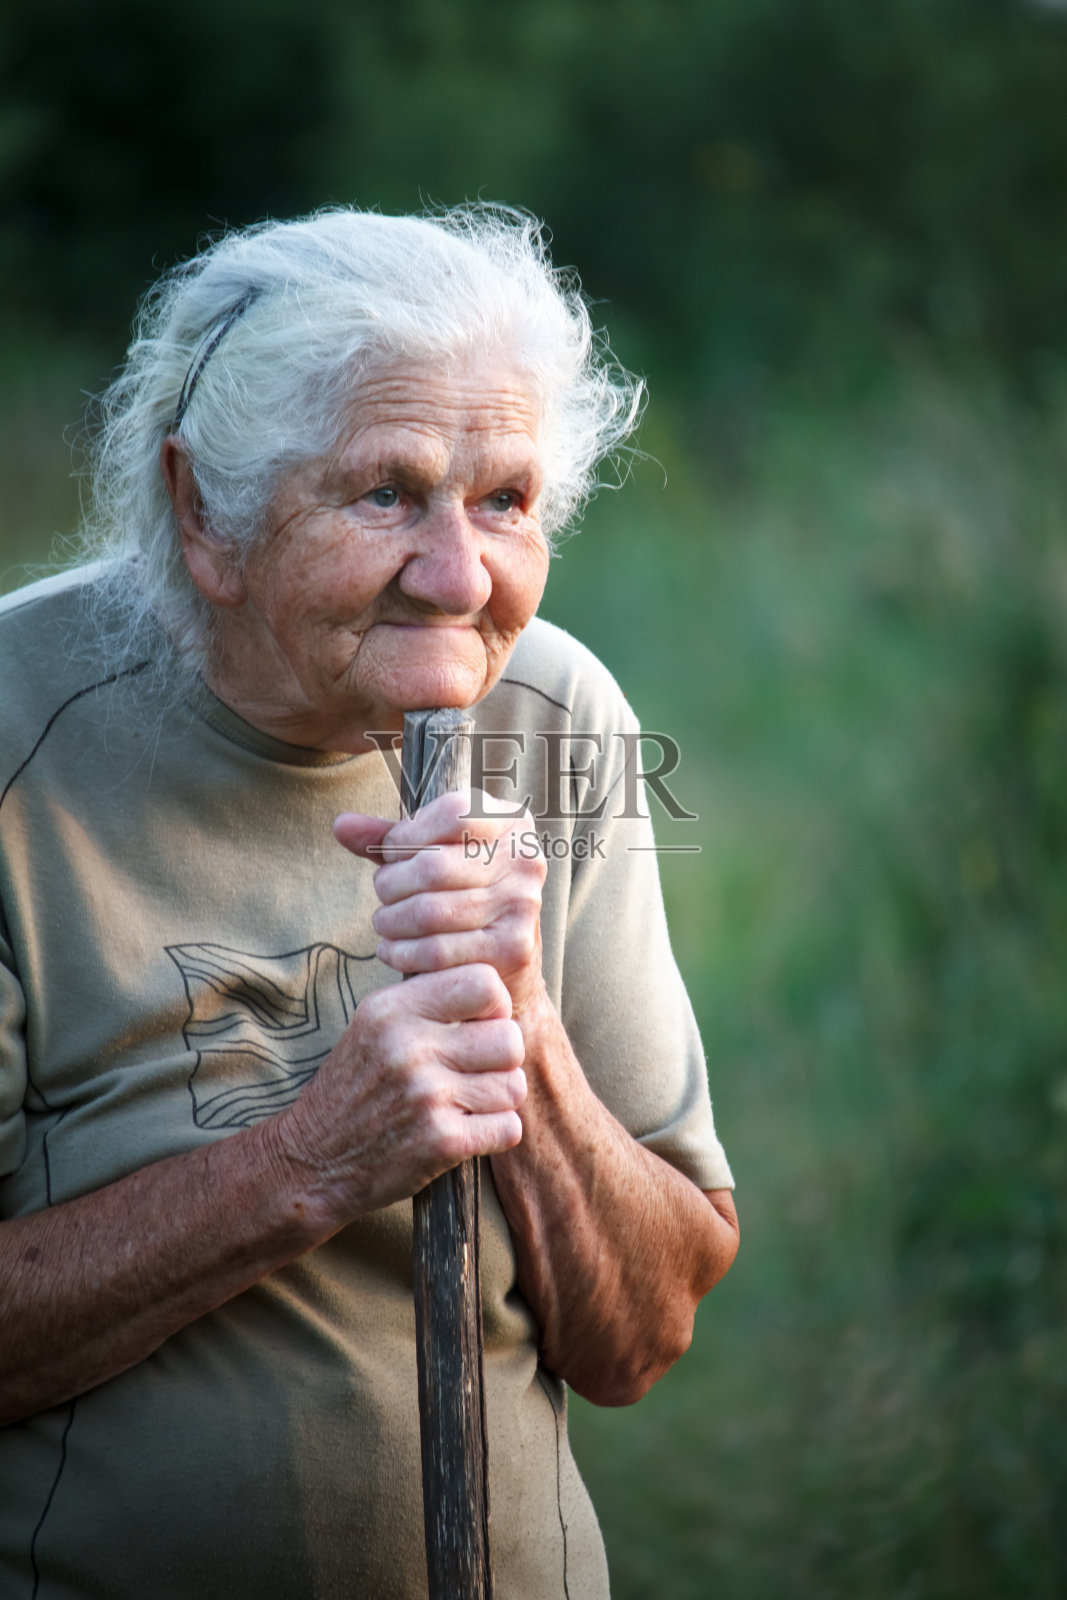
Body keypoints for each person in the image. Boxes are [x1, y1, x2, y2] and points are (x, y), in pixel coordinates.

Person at [0, 205, 737, 1599]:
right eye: (387, 494)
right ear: (201, 514)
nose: (461, 578)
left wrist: (522, 1032)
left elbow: (641, 1338)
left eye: (507, 501)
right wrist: (310, 1165)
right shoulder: (15, 732)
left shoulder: (552, 713)